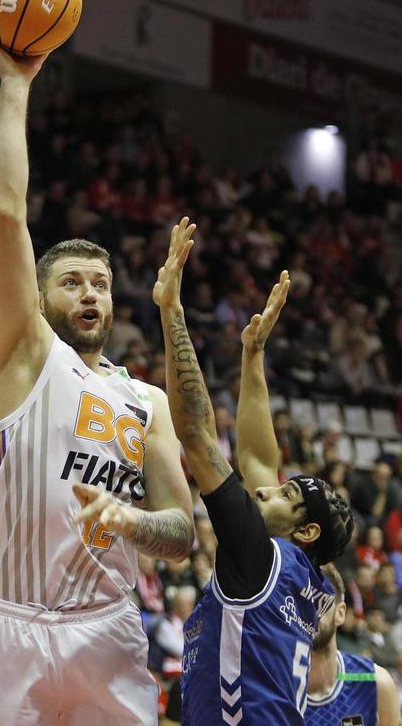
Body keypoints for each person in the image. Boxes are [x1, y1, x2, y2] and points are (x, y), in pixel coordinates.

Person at [0, 19, 194, 726]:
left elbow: (181, 534)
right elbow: (4, 211)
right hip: (7, 625)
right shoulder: (26, 354)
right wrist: (15, 83)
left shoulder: (146, 400)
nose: (90, 294)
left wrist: (131, 519)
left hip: (106, 629)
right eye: (72, 282)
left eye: (101, 283)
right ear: (38, 297)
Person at [152, 221, 353, 724]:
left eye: (285, 495)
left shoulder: (259, 559)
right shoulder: (301, 578)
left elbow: (196, 434)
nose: (265, 490)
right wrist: (253, 356)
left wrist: (172, 310)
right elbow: (261, 462)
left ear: (306, 530)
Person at [306, 564, 399, 726]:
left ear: (340, 613)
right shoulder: (273, 683)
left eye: (320, 601)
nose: (311, 612)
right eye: (302, 602)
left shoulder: (377, 682)